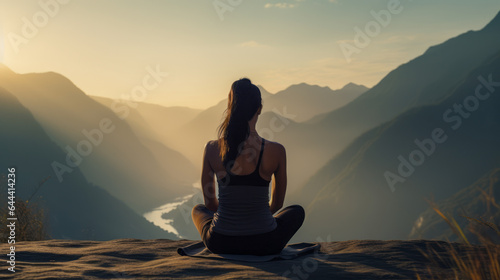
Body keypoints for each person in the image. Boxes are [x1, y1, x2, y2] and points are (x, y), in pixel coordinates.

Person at [191, 78, 305, 256]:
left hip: (221, 242)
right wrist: (253, 217)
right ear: (259, 109)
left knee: (198, 210)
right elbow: (277, 204)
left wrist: (234, 216)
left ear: (230, 108)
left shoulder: (212, 148)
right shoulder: (277, 151)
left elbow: (210, 205)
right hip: (265, 242)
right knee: (296, 212)